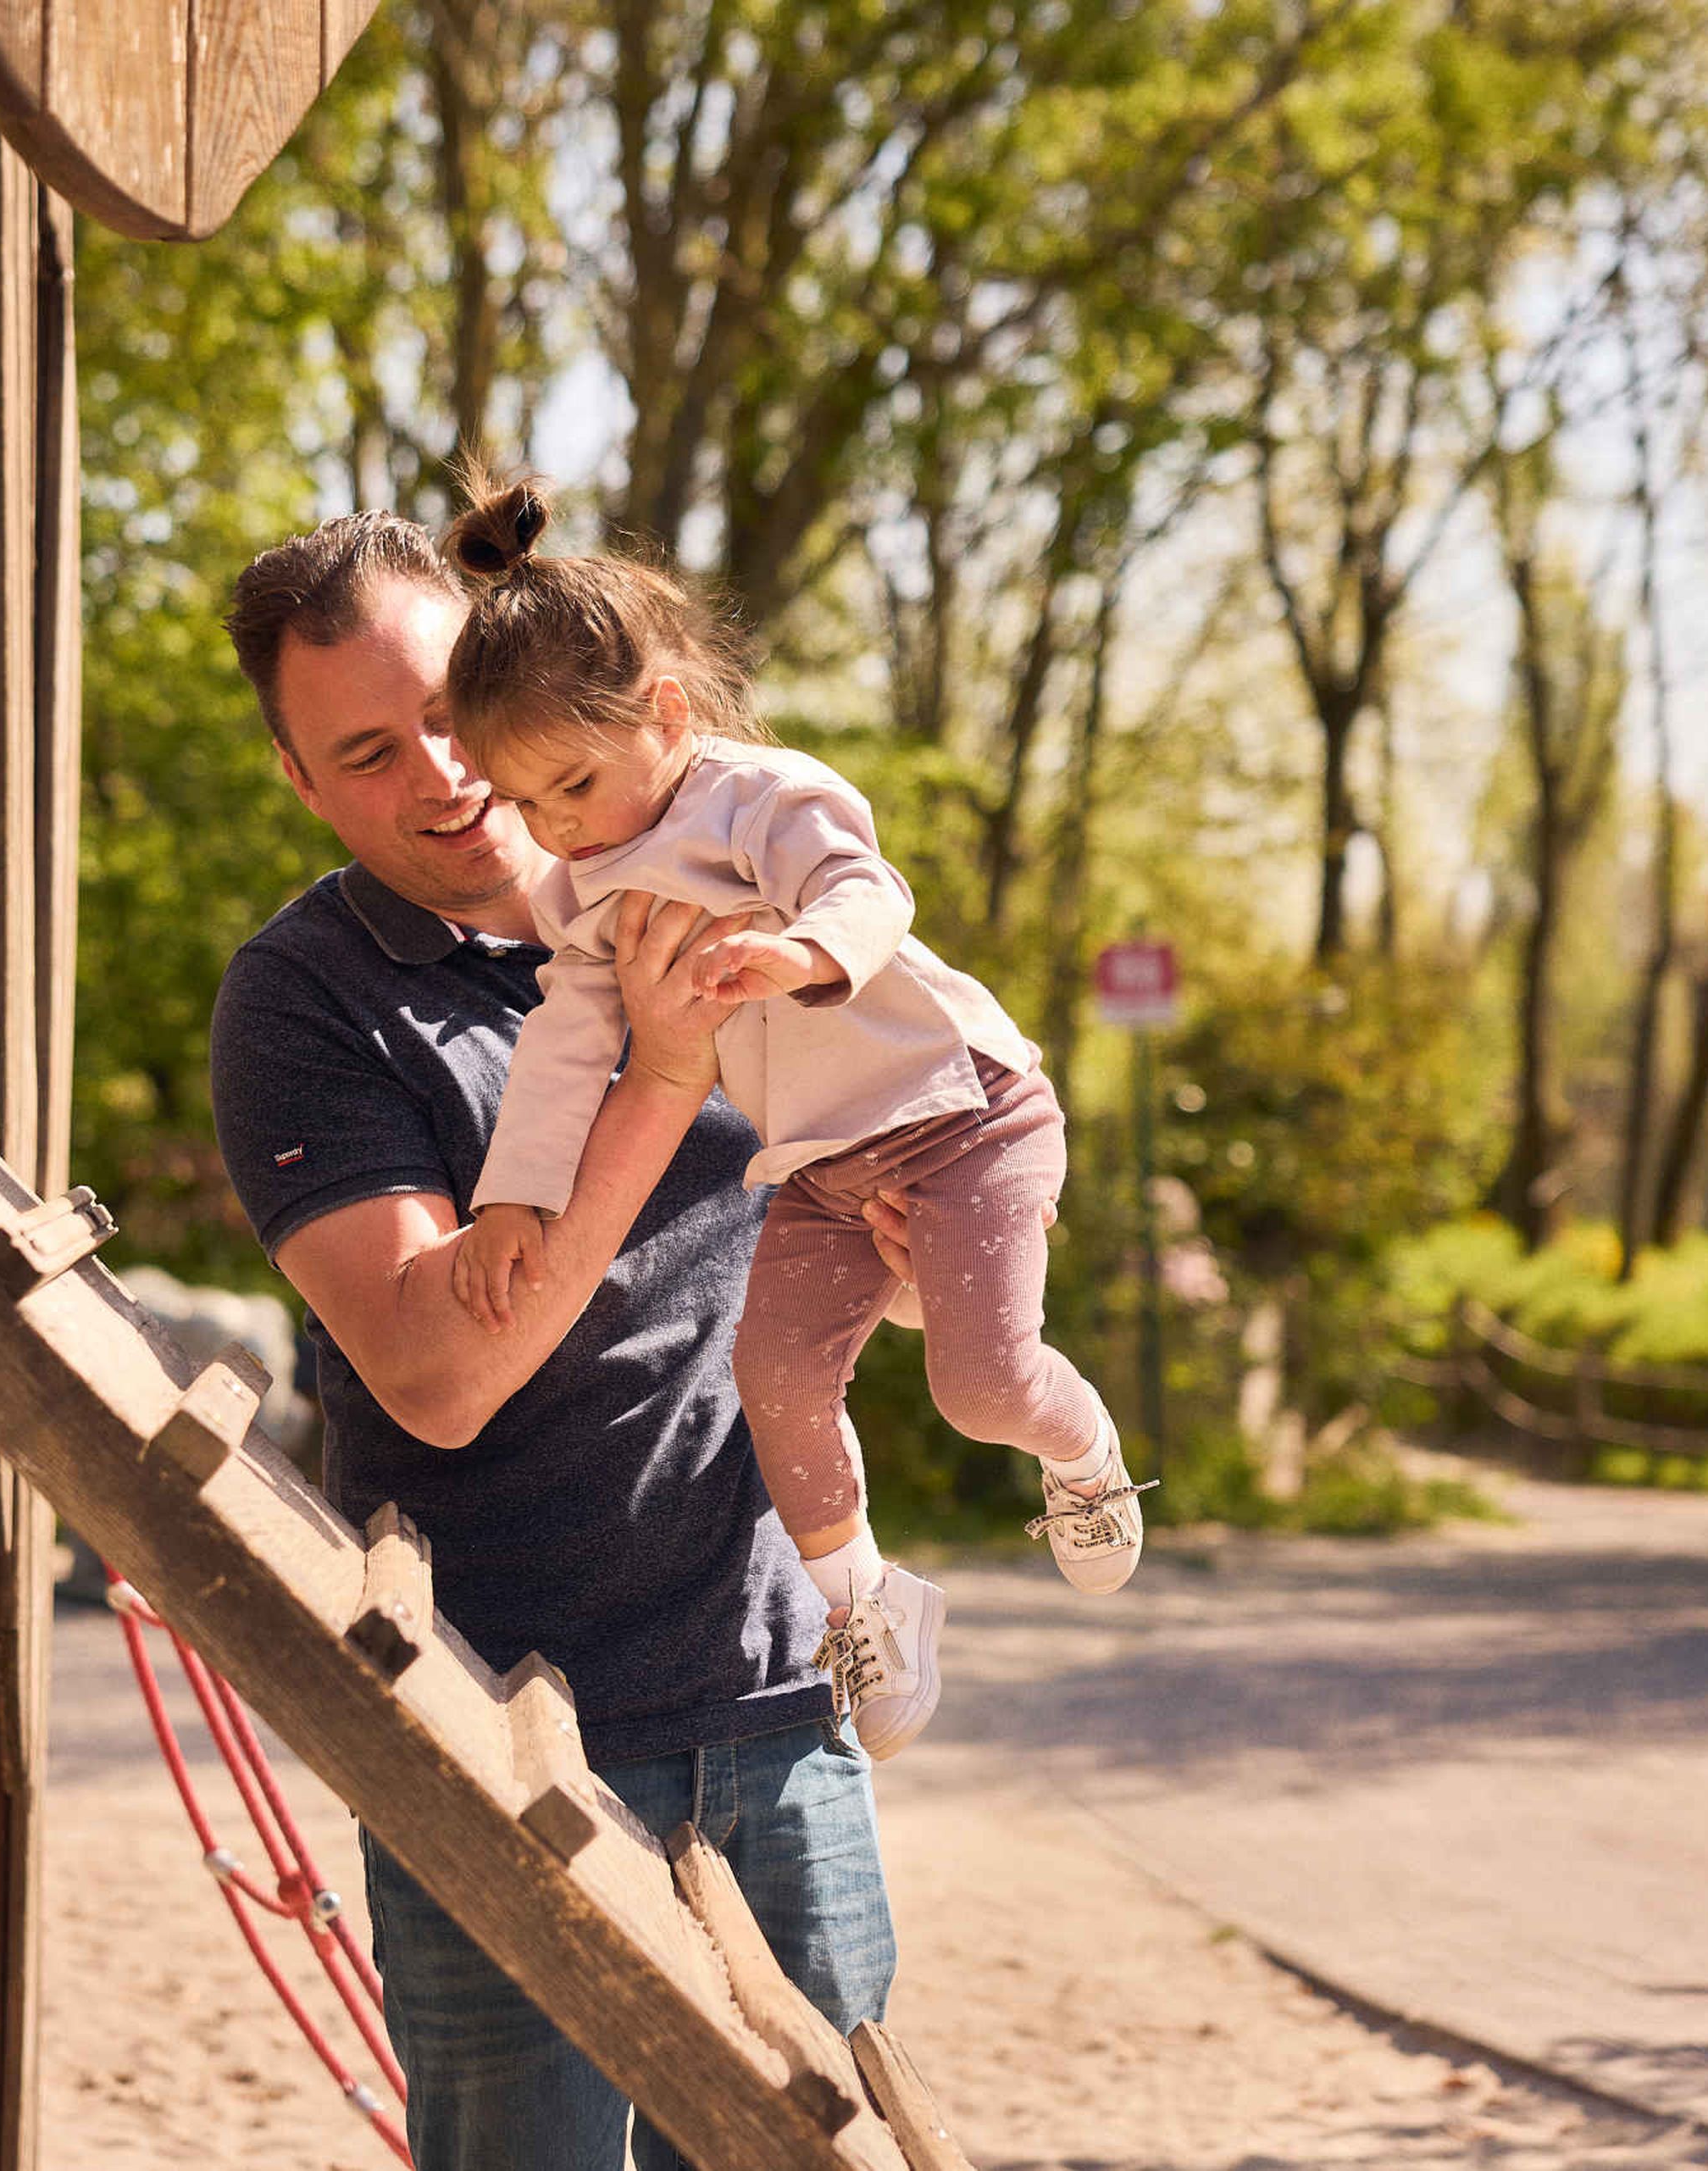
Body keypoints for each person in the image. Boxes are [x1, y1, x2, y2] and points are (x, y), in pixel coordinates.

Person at [208, 509, 894, 2168]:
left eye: (456, 709)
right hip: (500, 1740)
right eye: (370, 752)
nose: (443, 774)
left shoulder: (702, 856)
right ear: (303, 785)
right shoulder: (305, 1003)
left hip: (777, 1690)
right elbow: (440, 1378)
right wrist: (658, 1079)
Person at [434, 473, 1151, 1764]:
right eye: (526, 805)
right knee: (772, 1376)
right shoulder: (586, 891)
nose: (554, 828)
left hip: (960, 1110)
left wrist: (805, 954)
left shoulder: (760, 798)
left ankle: (1086, 1450)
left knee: (980, 1381)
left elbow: (865, 890)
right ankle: (867, 1607)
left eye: (575, 786)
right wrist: (513, 1194)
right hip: (823, 1165)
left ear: (662, 711)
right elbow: (564, 1045)